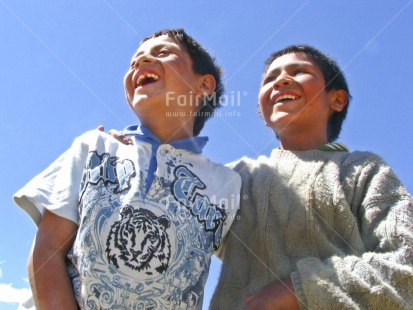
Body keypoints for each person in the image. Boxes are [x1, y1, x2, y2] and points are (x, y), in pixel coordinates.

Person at [14, 28, 241, 309]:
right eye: (134, 60)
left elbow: (256, 259)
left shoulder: (228, 183)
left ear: (205, 86)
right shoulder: (94, 147)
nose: (140, 62)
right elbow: (46, 251)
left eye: (162, 53)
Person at [209, 45, 413, 309]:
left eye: (300, 71)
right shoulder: (236, 176)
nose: (280, 80)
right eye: (269, 79)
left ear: (337, 100)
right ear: (262, 112)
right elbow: (170, 212)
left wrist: (301, 289)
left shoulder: (362, 169)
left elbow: (405, 261)